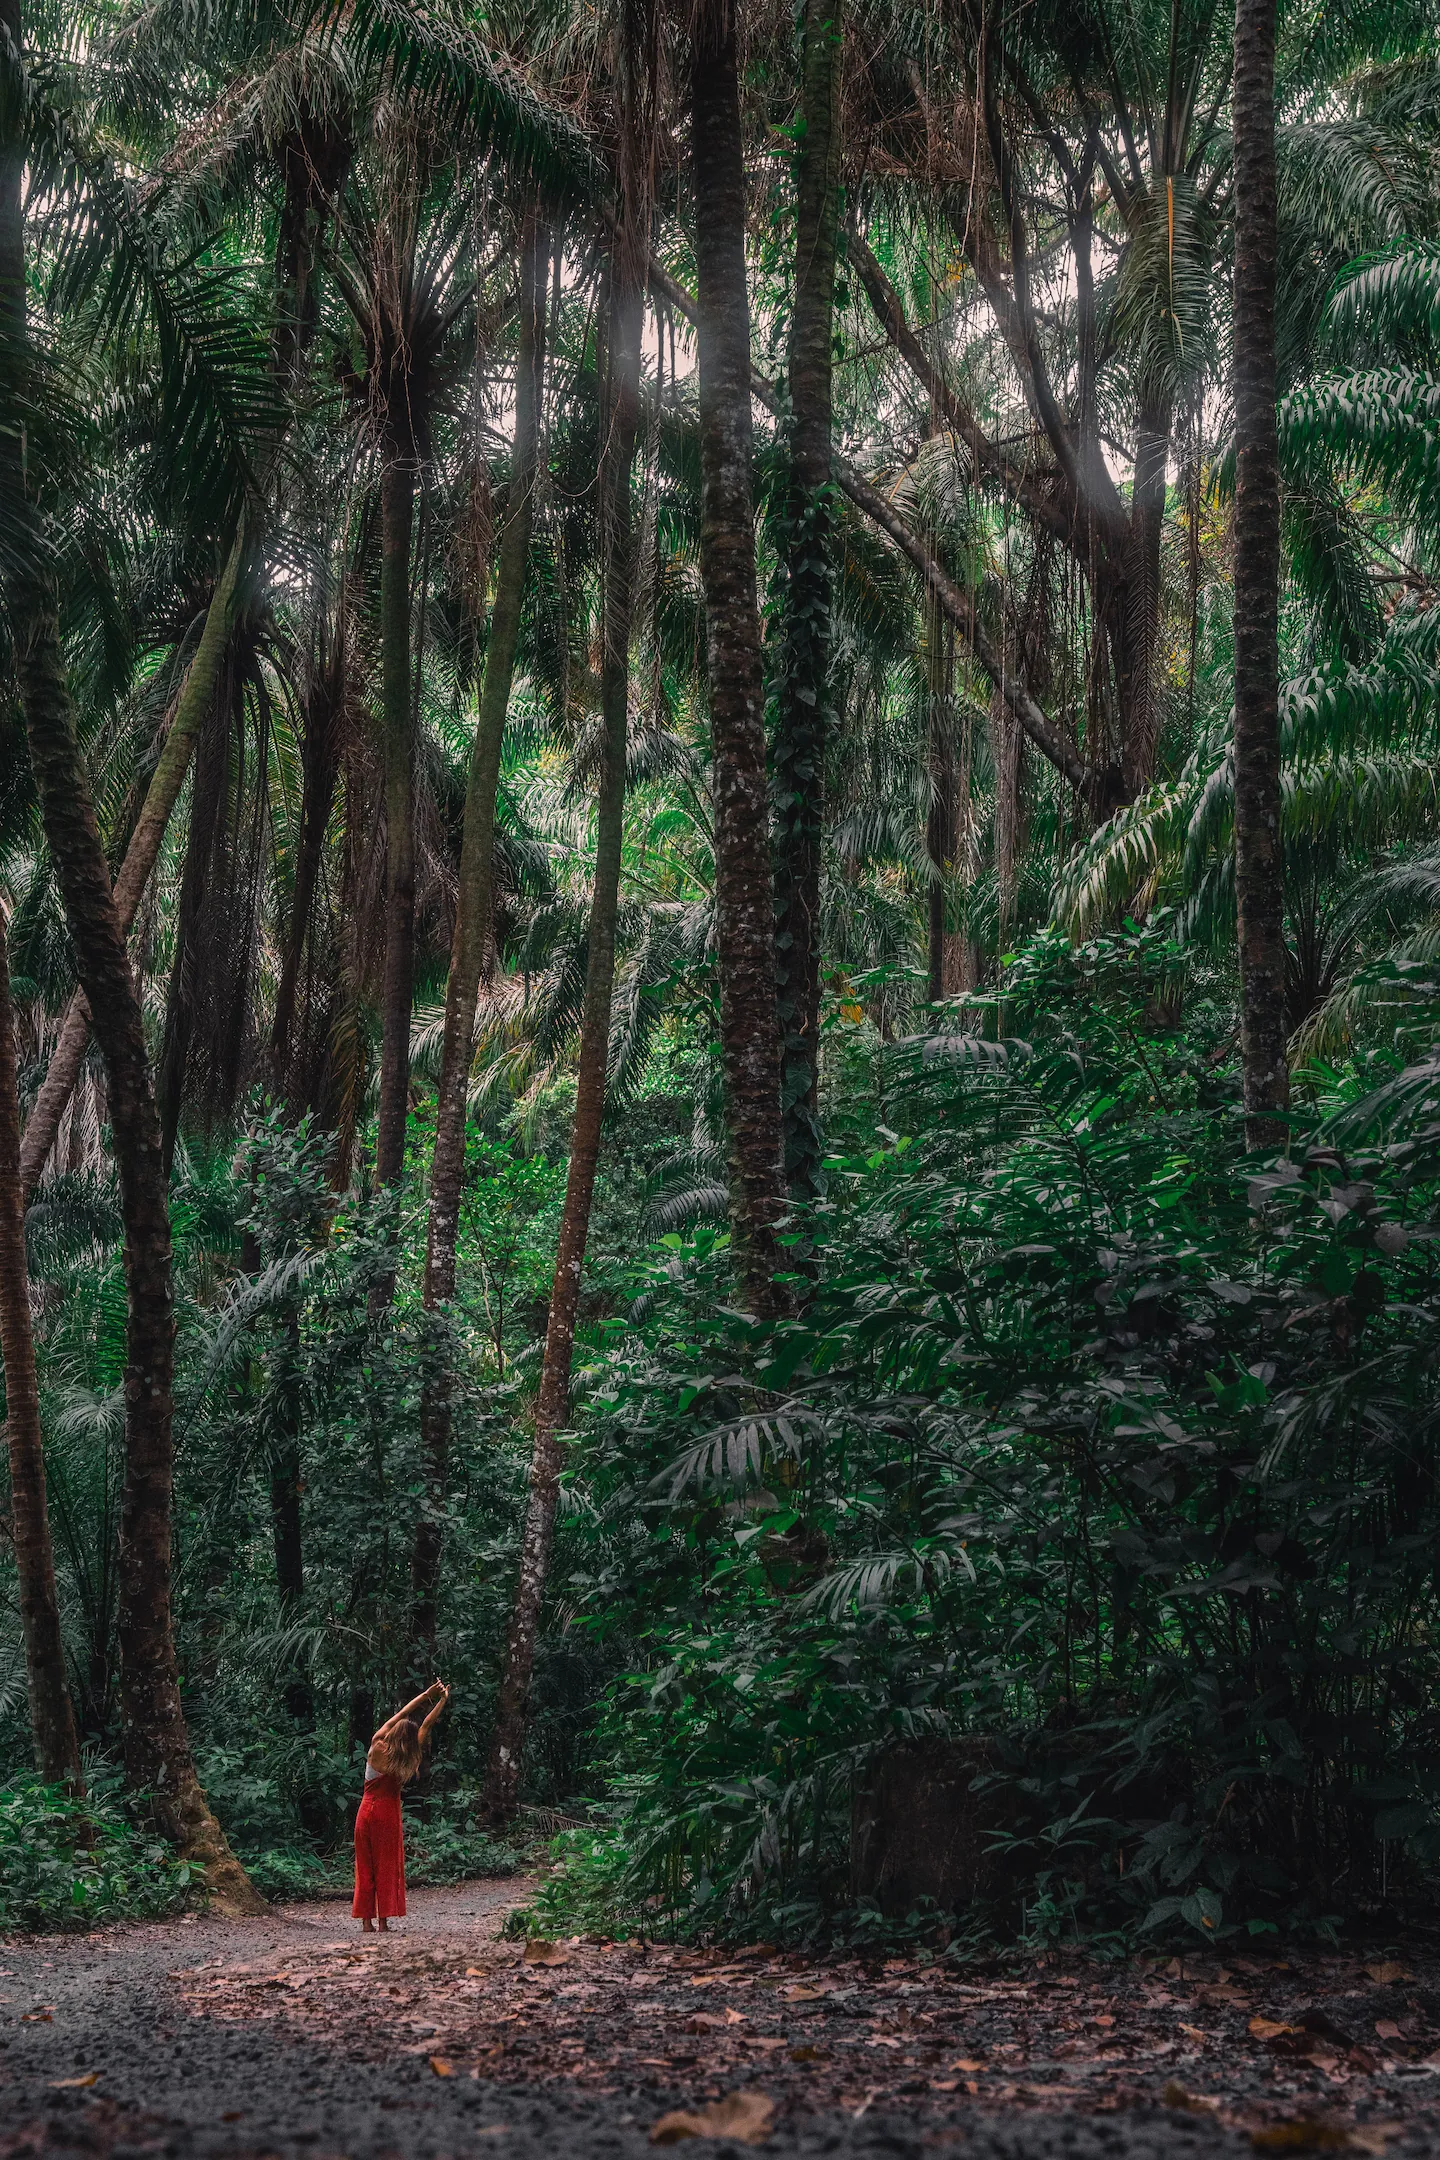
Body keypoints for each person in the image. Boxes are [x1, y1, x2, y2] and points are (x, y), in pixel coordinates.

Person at [352, 1681, 449, 1932]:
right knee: (386, 1865)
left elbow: (403, 1714)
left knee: (365, 1866)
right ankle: (383, 1922)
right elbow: (426, 1724)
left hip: (366, 1812)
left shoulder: (378, 1745)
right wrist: (442, 1701)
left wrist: (426, 1695)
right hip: (388, 1814)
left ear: (394, 1732)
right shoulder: (407, 1756)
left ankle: (366, 1922)